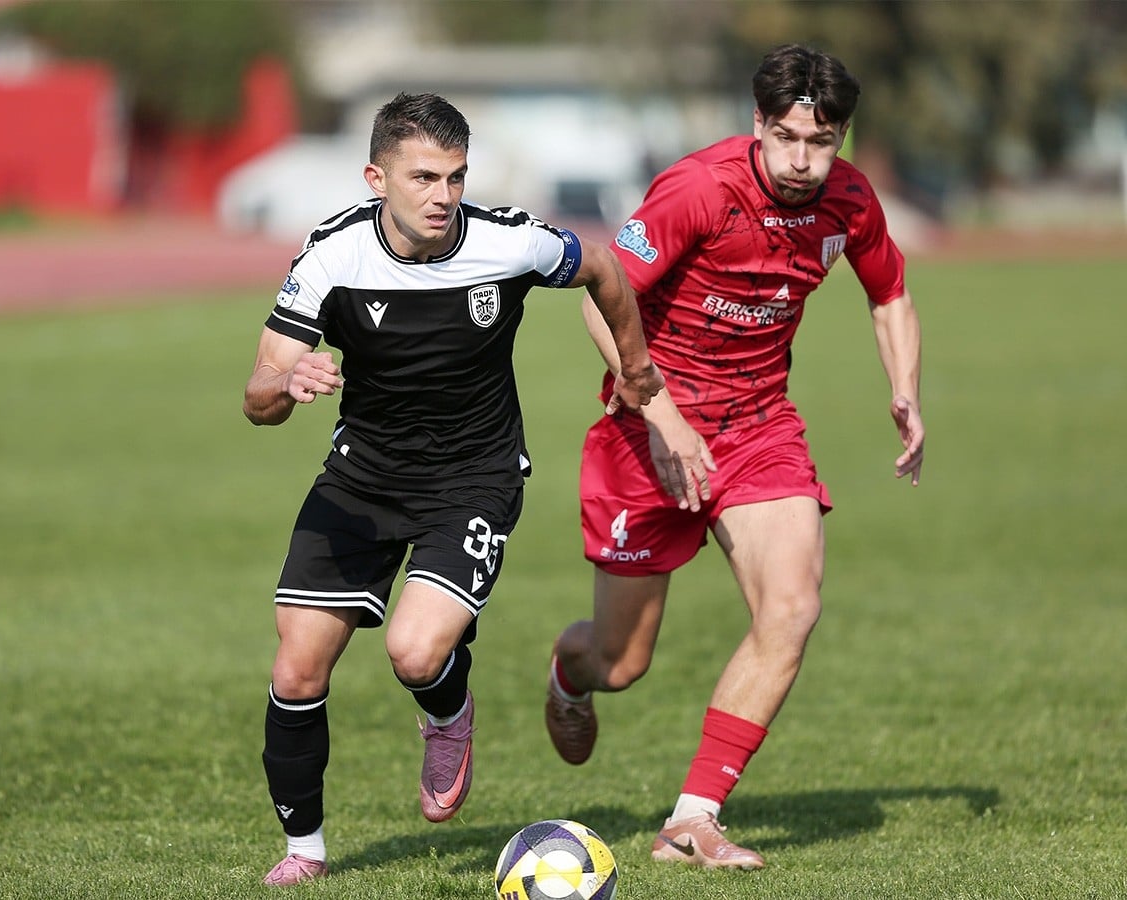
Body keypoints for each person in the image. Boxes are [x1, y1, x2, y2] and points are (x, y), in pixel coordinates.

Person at [242, 91, 663, 886]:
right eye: (423, 177)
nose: (442, 196)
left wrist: (635, 367)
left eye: (456, 177)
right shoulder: (332, 255)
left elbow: (604, 268)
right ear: (377, 178)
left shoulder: (509, 242)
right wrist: (286, 381)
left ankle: (448, 713)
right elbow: (257, 396)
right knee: (298, 668)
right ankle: (306, 853)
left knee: (414, 650)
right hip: (362, 476)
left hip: (474, 476)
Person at [545, 44, 925, 871]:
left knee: (791, 607)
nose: (800, 161)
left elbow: (889, 292)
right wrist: (662, 412)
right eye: (786, 138)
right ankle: (571, 671)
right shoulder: (699, 188)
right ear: (758, 124)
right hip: (644, 430)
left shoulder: (850, 202)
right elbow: (601, 304)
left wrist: (905, 389)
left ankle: (693, 818)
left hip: (758, 427)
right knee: (623, 661)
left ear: (842, 138)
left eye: (820, 144)